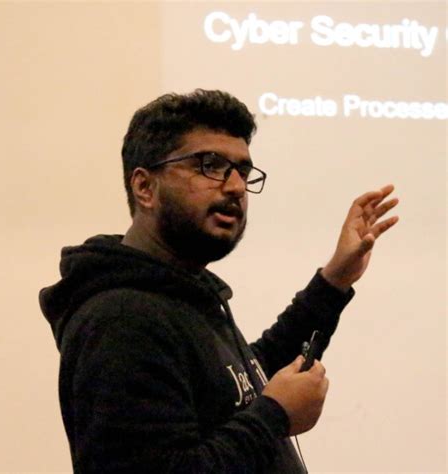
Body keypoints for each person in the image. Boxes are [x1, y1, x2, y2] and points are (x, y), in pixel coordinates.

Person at [39, 89, 399, 473]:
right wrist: (275, 415)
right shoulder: (122, 319)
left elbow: (245, 383)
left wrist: (334, 280)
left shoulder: (181, 293)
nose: (236, 187)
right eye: (210, 165)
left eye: (242, 171)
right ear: (145, 187)